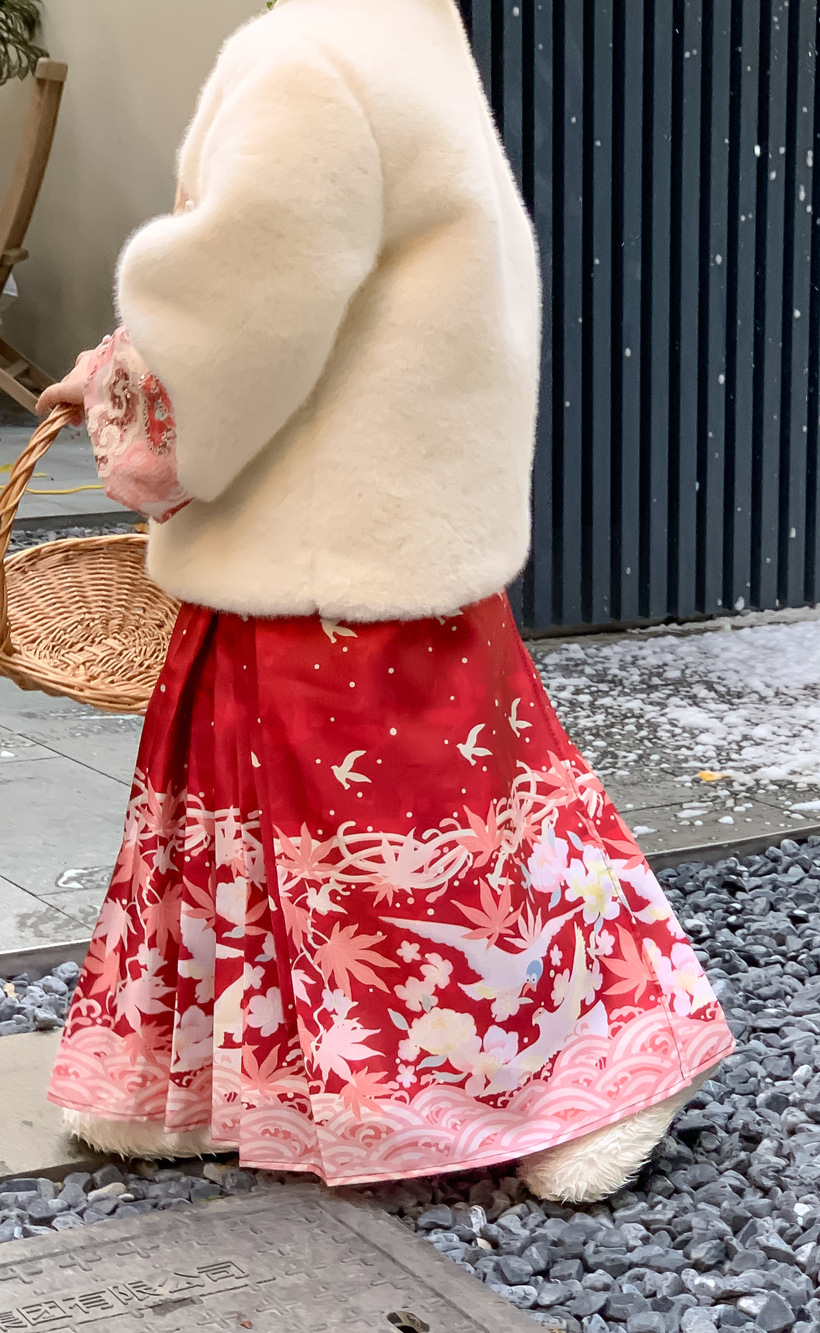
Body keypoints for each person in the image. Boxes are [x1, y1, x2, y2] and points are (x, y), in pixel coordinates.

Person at [38, 0, 732, 1203]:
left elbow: (238, 306)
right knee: (428, 814)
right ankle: (266, 1081)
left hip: (323, 539)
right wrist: (126, 367)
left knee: (385, 832)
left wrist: (126, 394)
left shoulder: (309, 57)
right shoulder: (402, 35)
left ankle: (598, 1064)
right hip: (375, 516)